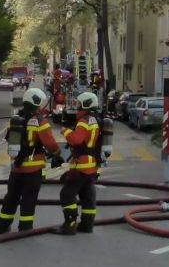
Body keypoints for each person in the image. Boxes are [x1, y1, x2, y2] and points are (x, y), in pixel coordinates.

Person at [0, 88, 62, 234]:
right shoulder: (39, 121)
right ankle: (25, 227)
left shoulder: (16, 119)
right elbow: (49, 143)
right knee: (28, 199)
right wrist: (57, 154)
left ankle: (2, 226)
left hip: (16, 168)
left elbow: (9, 138)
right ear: (37, 103)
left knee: (11, 198)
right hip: (33, 170)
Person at [56, 92, 101, 235]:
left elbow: (76, 139)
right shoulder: (96, 119)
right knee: (87, 196)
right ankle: (87, 225)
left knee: (67, 194)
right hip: (92, 165)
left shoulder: (84, 121)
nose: (77, 107)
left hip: (81, 166)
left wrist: (65, 131)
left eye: (79, 104)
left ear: (85, 104)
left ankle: (70, 225)